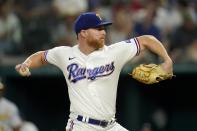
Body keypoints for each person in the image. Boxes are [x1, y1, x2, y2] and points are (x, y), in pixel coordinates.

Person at [15, 12, 173, 131]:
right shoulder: (65, 54)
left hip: (111, 126)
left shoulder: (114, 52)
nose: (103, 32)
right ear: (83, 32)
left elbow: (146, 40)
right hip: (81, 125)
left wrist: (167, 60)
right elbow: (42, 57)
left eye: (104, 28)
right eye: (98, 28)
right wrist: (26, 63)